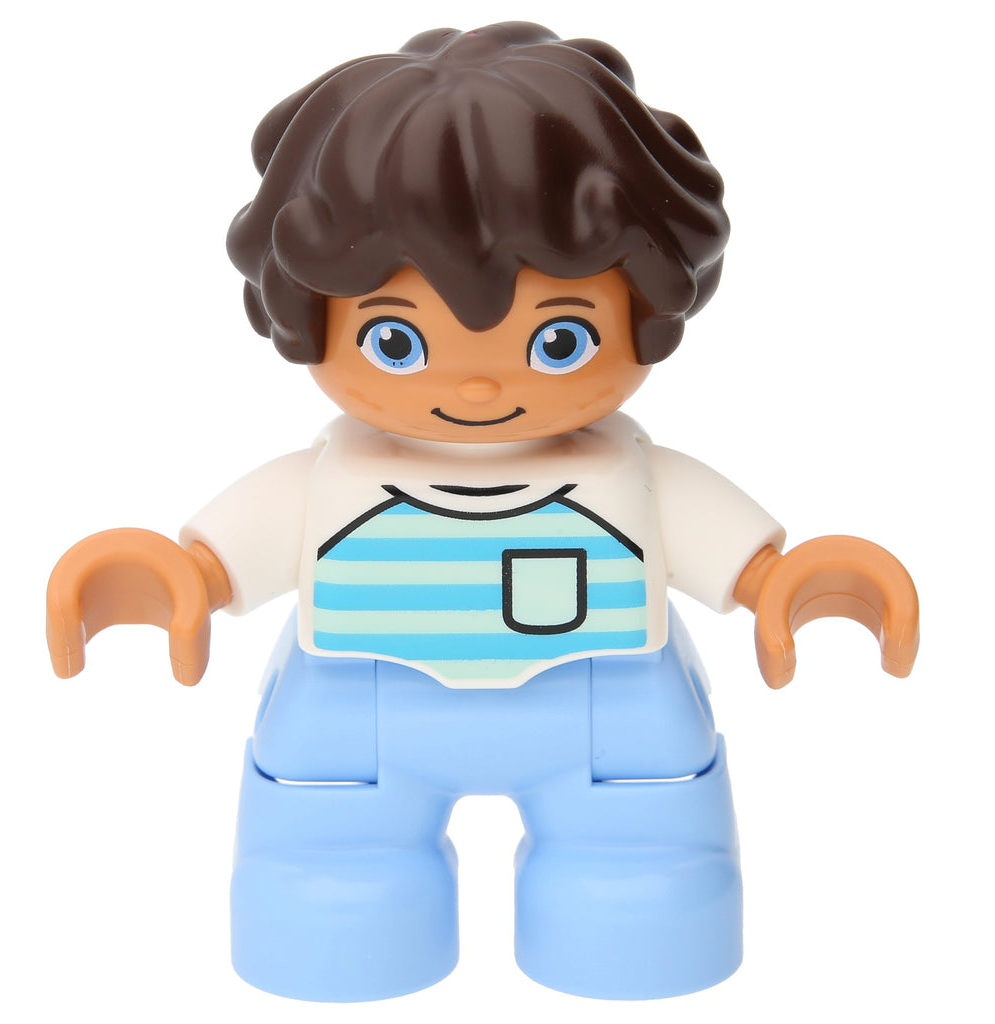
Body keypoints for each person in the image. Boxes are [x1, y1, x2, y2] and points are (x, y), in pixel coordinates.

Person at [46, 22, 919, 1002]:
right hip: (358, 725)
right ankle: (337, 894)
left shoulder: (631, 477)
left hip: (610, 723)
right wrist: (183, 577)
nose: (475, 386)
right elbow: (224, 554)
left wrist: (782, 583)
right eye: (395, 341)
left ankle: (635, 893)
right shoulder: (328, 480)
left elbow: (741, 559)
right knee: (330, 888)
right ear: (308, 318)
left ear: (647, 310)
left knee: (645, 887)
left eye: (558, 339)